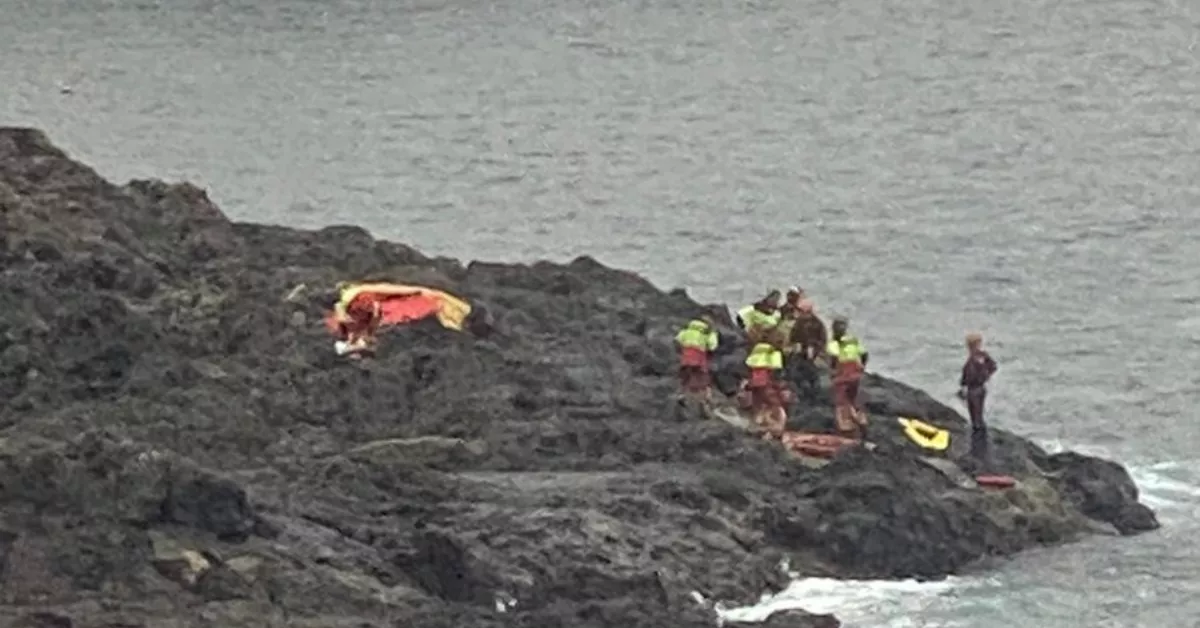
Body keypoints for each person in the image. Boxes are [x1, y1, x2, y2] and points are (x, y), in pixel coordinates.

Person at [958, 332, 998, 465]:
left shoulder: (975, 359)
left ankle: (978, 438)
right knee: (976, 412)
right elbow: (993, 367)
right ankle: (979, 433)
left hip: (975, 389)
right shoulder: (980, 357)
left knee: (975, 413)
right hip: (977, 388)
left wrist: (984, 375)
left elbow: (966, 378)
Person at [743, 328, 790, 439]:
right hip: (766, 383)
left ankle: (758, 424)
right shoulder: (774, 354)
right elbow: (776, 373)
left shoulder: (756, 351)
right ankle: (772, 430)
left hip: (755, 382)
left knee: (758, 405)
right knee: (774, 405)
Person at [826, 317, 868, 438]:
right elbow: (864, 354)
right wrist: (862, 367)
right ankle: (861, 421)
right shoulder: (853, 341)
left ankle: (846, 428)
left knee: (841, 401)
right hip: (855, 372)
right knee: (854, 399)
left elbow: (834, 358)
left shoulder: (834, 343)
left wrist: (833, 371)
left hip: (843, 373)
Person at [785, 299, 828, 398]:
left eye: (801, 311)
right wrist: (795, 346)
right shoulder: (799, 323)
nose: (799, 313)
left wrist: (817, 351)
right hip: (800, 353)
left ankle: (814, 393)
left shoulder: (818, 324)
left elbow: (823, 340)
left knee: (813, 374)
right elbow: (793, 337)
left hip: (813, 354)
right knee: (794, 372)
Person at [674, 316, 720, 400]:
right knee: (702, 376)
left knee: (685, 376)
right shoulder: (707, 333)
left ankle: (682, 393)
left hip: (686, 357)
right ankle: (705, 395)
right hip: (699, 358)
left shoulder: (686, 331)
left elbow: (678, 340)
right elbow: (712, 346)